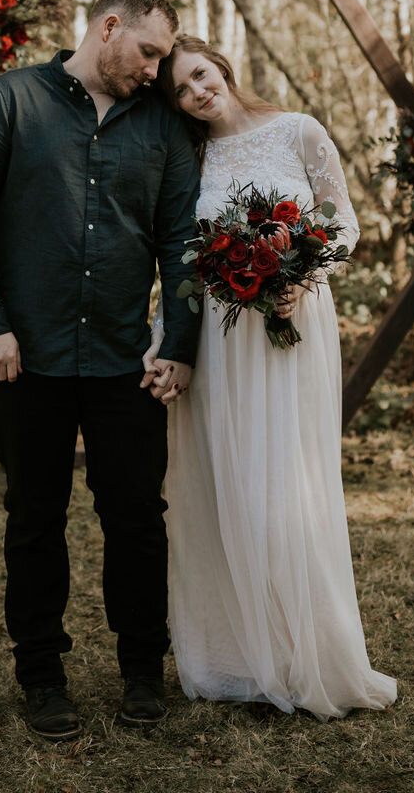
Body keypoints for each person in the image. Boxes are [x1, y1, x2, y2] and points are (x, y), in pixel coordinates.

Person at [0, 0, 200, 741]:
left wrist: (177, 345)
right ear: (109, 27)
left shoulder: (161, 128)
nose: (155, 70)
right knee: (33, 518)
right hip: (27, 356)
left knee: (136, 520)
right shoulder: (13, 100)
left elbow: (182, 241)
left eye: (161, 57)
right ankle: (42, 676)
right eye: (148, 52)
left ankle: (143, 672)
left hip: (128, 361)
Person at [148, 35, 397, 720]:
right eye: (182, 91)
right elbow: (183, 253)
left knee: (292, 482)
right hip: (224, 345)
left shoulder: (298, 130)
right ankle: (240, 657)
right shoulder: (189, 158)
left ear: (220, 66)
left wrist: (301, 274)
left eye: (200, 75)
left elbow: (340, 222)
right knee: (231, 481)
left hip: (293, 327)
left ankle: (306, 652)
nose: (198, 91)